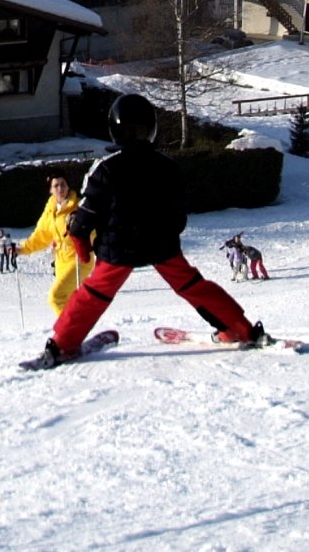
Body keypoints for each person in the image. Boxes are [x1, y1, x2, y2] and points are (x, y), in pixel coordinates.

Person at [42, 94, 260, 364]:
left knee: (93, 295)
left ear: (114, 131)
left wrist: (80, 241)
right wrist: (165, 235)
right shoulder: (168, 166)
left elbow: (86, 215)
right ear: (152, 129)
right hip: (162, 245)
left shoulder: (105, 169)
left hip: (118, 249)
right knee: (194, 286)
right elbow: (179, 216)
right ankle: (240, 328)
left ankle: (61, 344)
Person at [17, 175, 91, 313]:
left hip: (79, 259)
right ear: (50, 190)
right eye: (56, 185)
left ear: (68, 186)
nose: (60, 188)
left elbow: (93, 232)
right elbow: (41, 235)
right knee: (69, 303)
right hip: (61, 262)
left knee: (56, 297)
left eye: (63, 184)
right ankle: (79, 331)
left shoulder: (79, 207)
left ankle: (70, 331)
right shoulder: (50, 209)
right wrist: (21, 249)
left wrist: (78, 227)